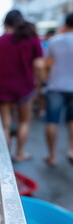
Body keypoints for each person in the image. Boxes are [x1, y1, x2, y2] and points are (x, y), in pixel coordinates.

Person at [0, 10, 43, 161]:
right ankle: (20, 152)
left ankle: (4, 156)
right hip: (25, 88)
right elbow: (39, 65)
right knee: (24, 121)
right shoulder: (32, 40)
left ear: (5, 23)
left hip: (3, 87)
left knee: (5, 124)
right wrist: (39, 84)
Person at [44, 13, 73, 166]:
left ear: (66, 23)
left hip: (55, 85)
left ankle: (52, 155)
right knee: (72, 121)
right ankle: (71, 150)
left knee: (52, 120)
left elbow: (47, 64)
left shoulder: (55, 41)